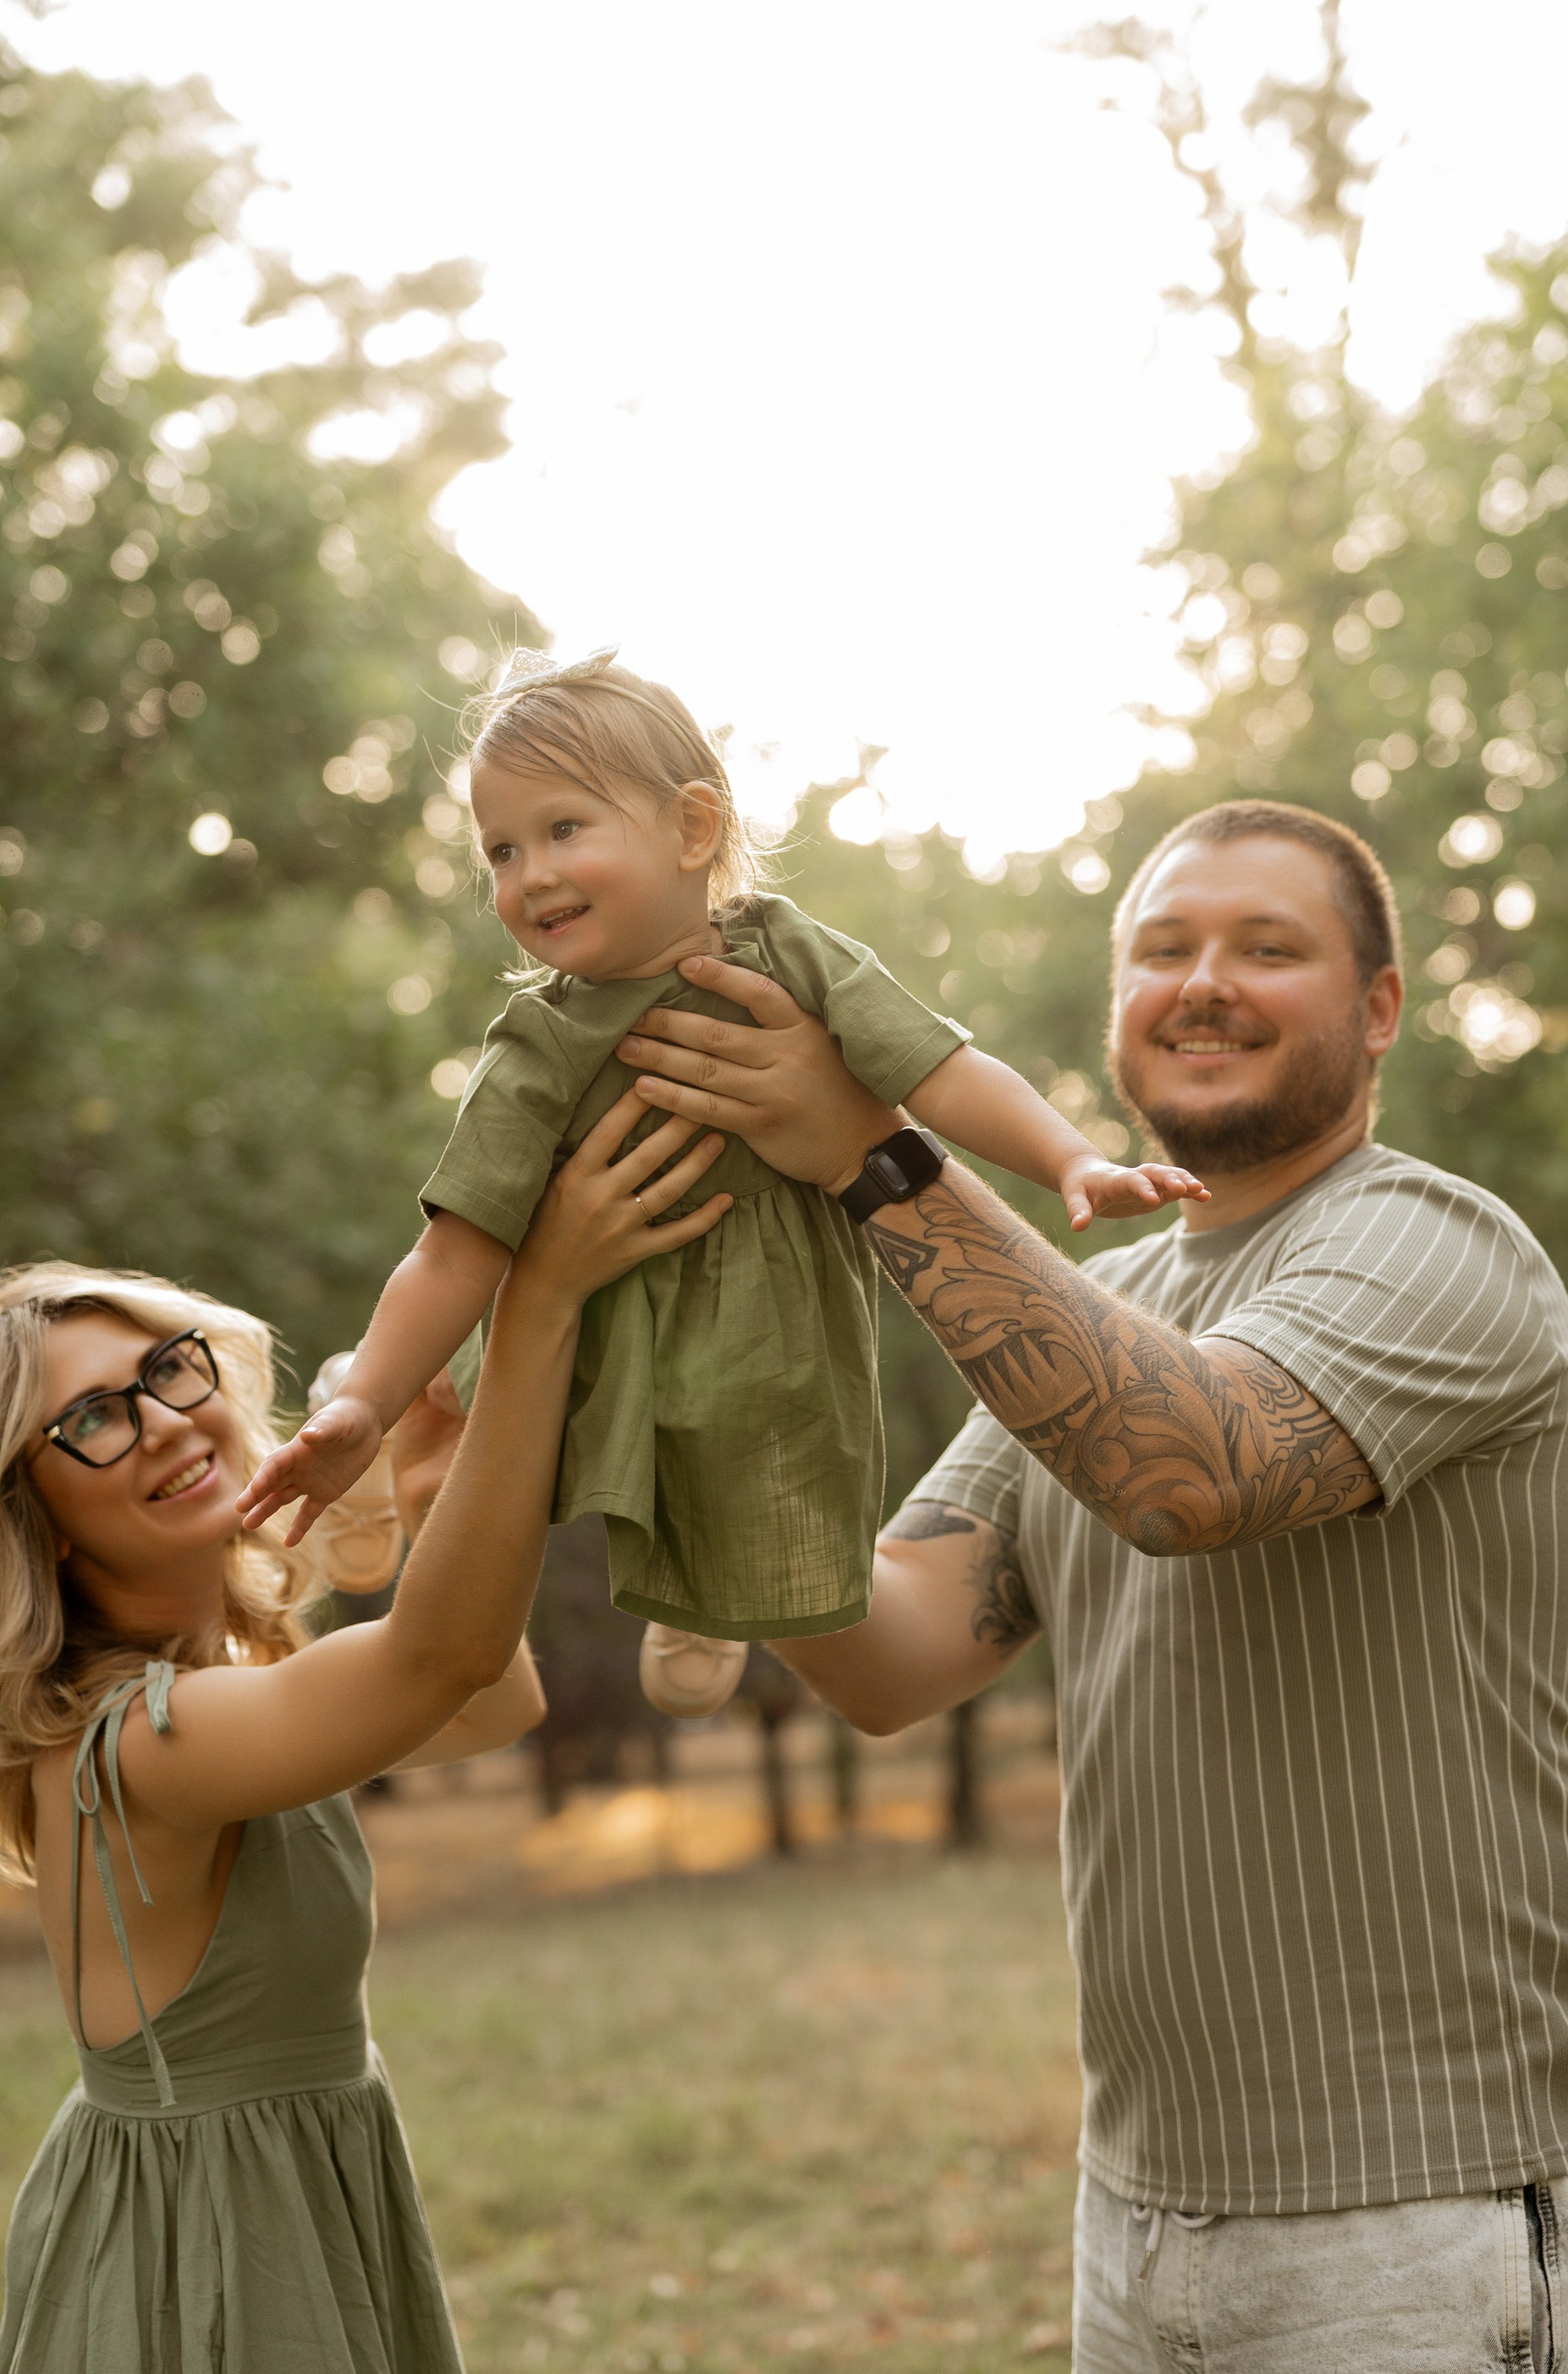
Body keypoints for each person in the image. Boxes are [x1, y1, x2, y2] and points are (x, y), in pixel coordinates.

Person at [613, 799, 1568, 2374]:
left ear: (1380, 1001)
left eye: (1263, 943)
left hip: (1420, 2224)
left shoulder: (1432, 1247)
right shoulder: (1112, 1308)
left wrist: (868, 1151)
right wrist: (650, 1431)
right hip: (1145, 2215)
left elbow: (1185, 1470)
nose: (1200, 979)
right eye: (1160, 944)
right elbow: (893, 1644)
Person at [0, 1092, 731, 2374]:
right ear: (27, 1510)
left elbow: (486, 1699)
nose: (155, 1420)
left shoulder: (216, 1680)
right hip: (207, 2242)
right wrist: (538, 1300)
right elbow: (429, 1661)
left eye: (166, 1369)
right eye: (88, 1423)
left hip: (287, 2194)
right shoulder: (144, 1737)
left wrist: (419, 1484)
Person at [239, 649, 1200, 1672]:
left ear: (693, 828)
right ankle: (374, 1412)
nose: (533, 873)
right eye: (503, 852)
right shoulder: (541, 1041)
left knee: (760, 1440)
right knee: (467, 1415)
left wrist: (1069, 1158)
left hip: (761, 1313)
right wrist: (362, 1403)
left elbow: (942, 1069)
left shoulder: (793, 955)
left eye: (564, 827)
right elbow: (454, 1252)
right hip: (597, 1328)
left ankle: (699, 1605)